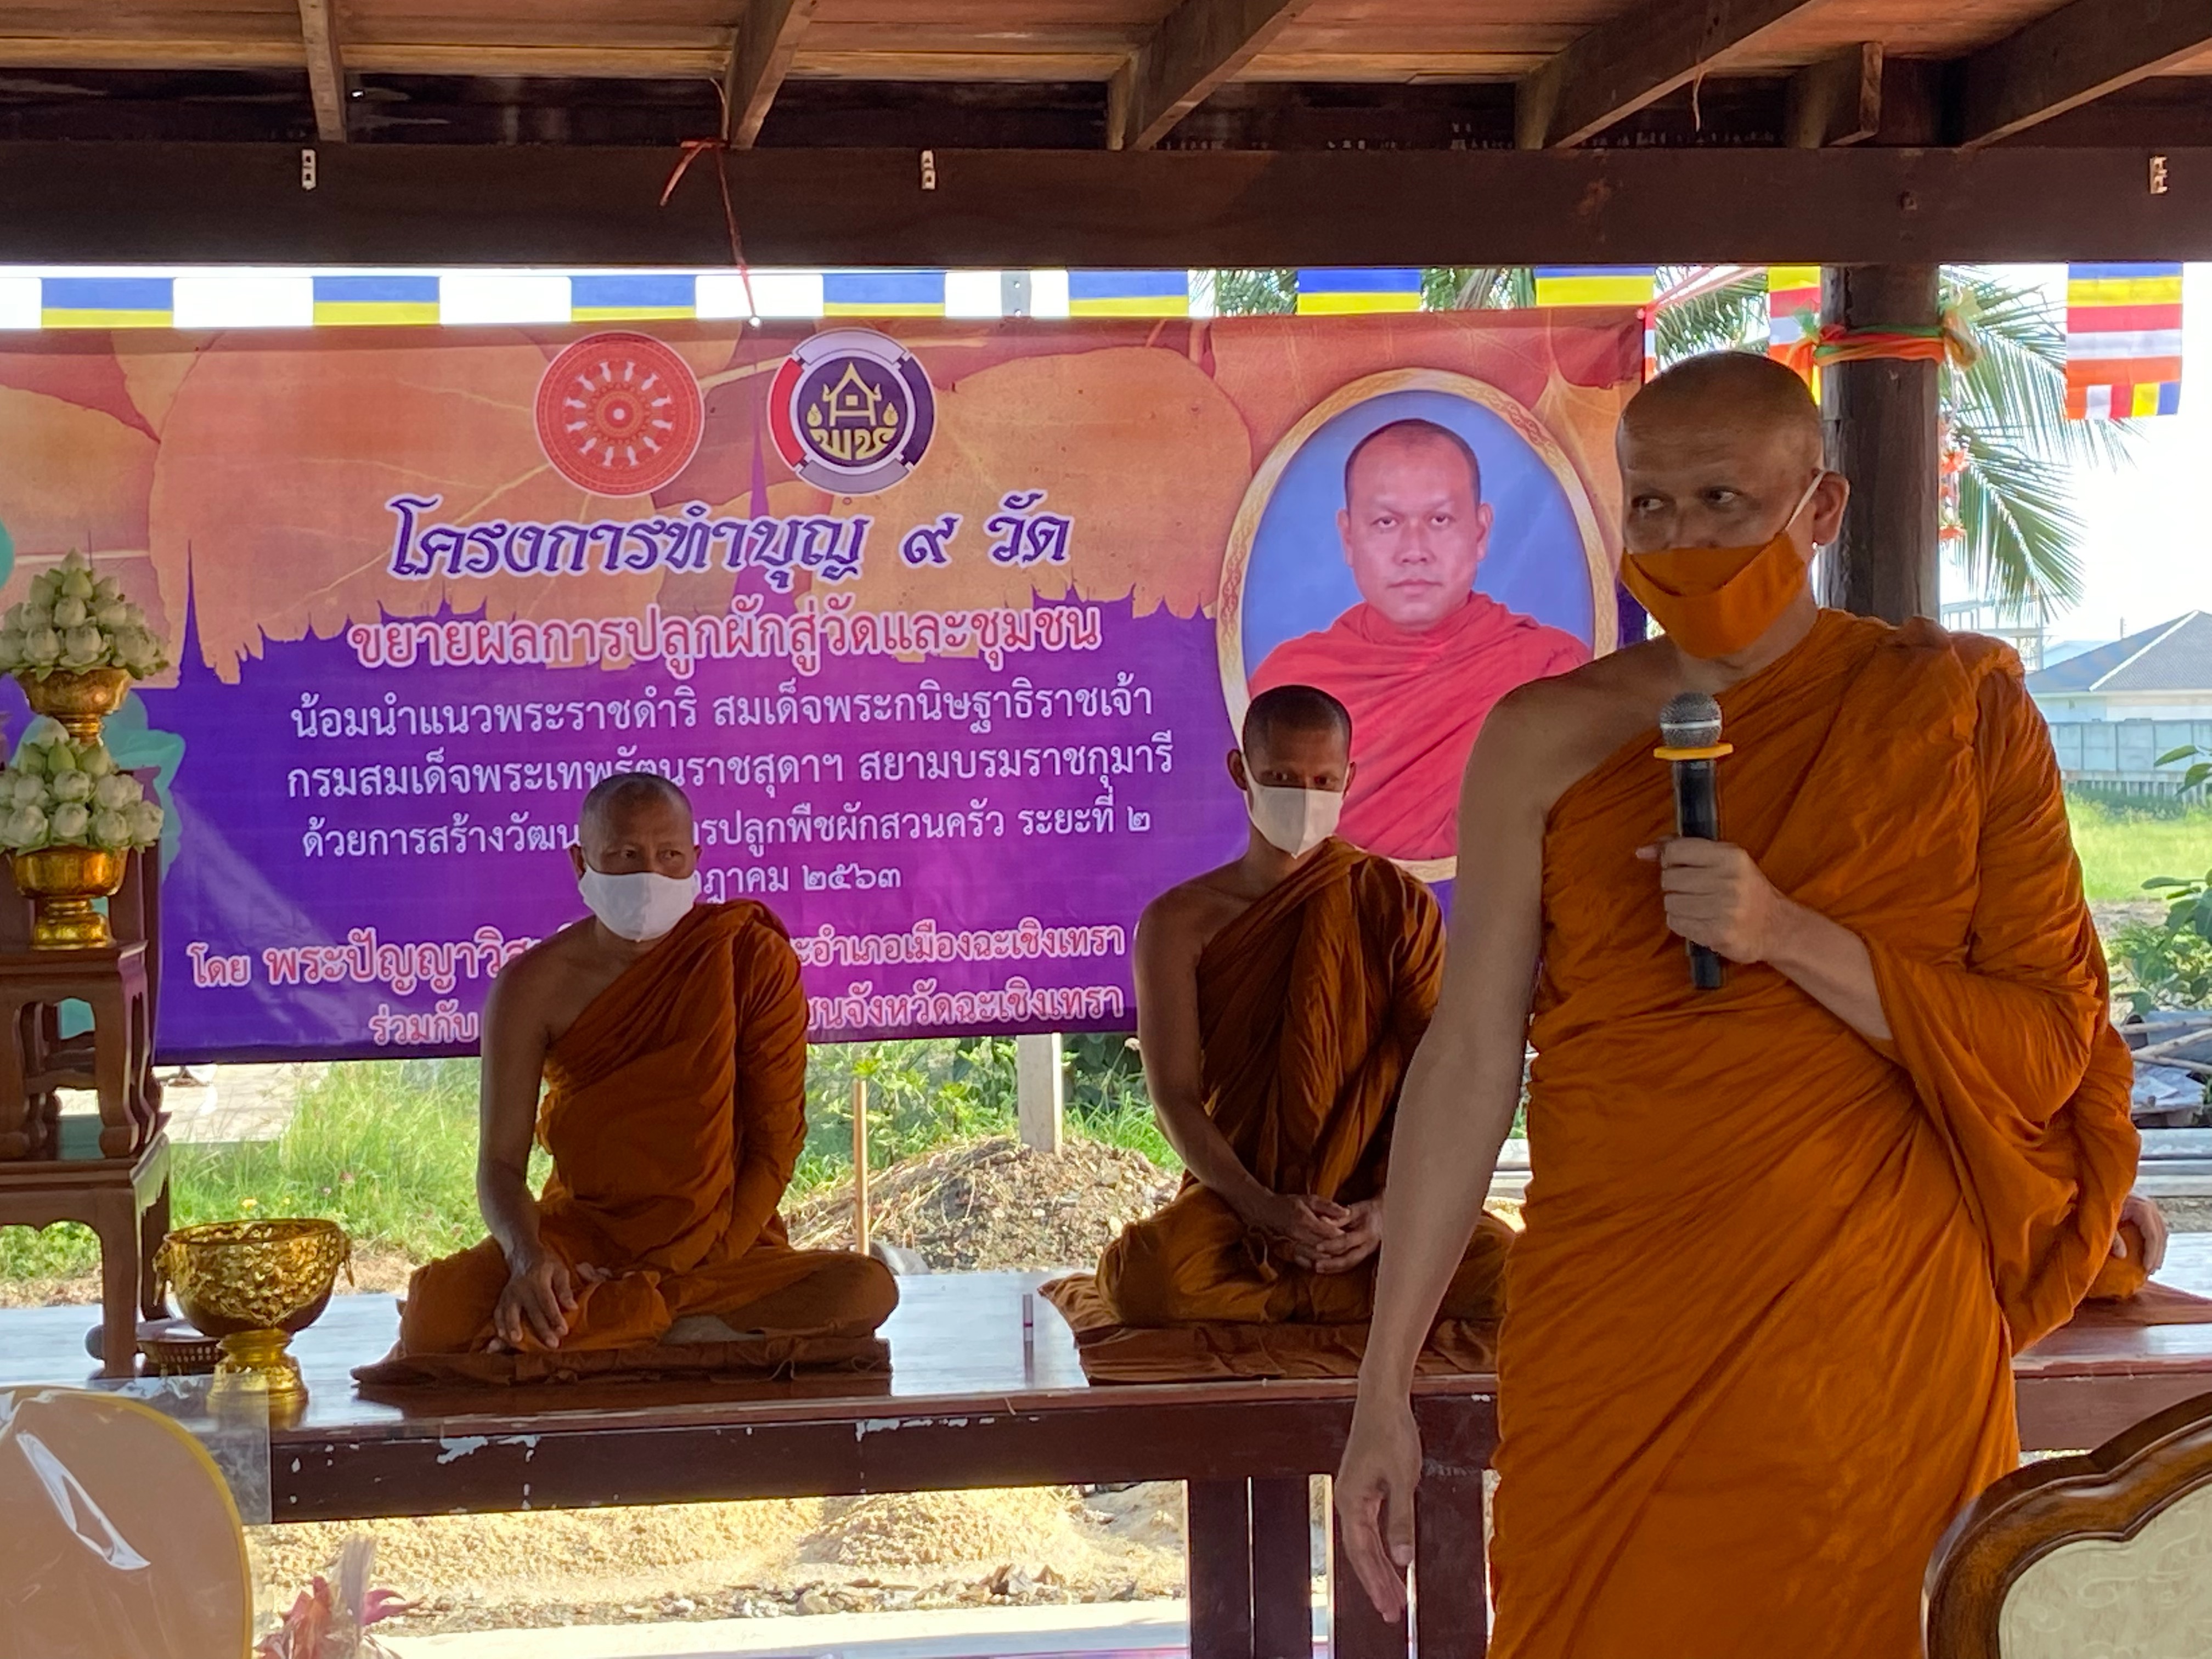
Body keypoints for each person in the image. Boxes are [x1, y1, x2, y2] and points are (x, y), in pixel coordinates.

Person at [1333, 352, 2166, 1657]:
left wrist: (1788, 934)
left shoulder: (1954, 717)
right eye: (1652, 505)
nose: (1683, 539)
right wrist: (1382, 1384)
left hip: (1870, 1336)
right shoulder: (1541, 737)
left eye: (1725, 500)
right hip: (1616, 1322)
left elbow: (2047, 1043)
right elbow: (1471, 1050)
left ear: (1819, 511)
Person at [394, 772, 895, 1357]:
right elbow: (500, 1166)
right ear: (581, 862)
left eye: (670, 856)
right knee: (434, 1316)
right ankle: (673, 1334)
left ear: (696, 861)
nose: (649, 875)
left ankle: (609, 1329)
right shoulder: (533, 986)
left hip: (720, 1243)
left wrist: (695, 1263)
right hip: (585, 1236)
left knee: (865, 1289)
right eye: (626, 856)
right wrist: (531, 1257)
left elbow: (774, 1145)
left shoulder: (747, 957)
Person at [1088, 682, 1513, 1330]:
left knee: (1508, 1273)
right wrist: (1263, 1208)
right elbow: (1175, 1097)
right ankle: (1349, 1299)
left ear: (1349, 780)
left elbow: (1440, 1075)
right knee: (1150, 1283)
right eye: (1283, 777)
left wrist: (1387, 1212)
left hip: (1375, 1201)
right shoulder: (1178, 923)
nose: (1305, 797)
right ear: (1242, 771)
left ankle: (1312, 1290)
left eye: (1322, 779)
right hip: (1242, 1204)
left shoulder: (1394, 905)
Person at [1249, 417, 1589, 864]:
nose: (1414, 549)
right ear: (1349, 537)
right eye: (1387, 522)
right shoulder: (1292, 677)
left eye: (1440, 519)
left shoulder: (1552, 667)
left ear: (1481, 532)